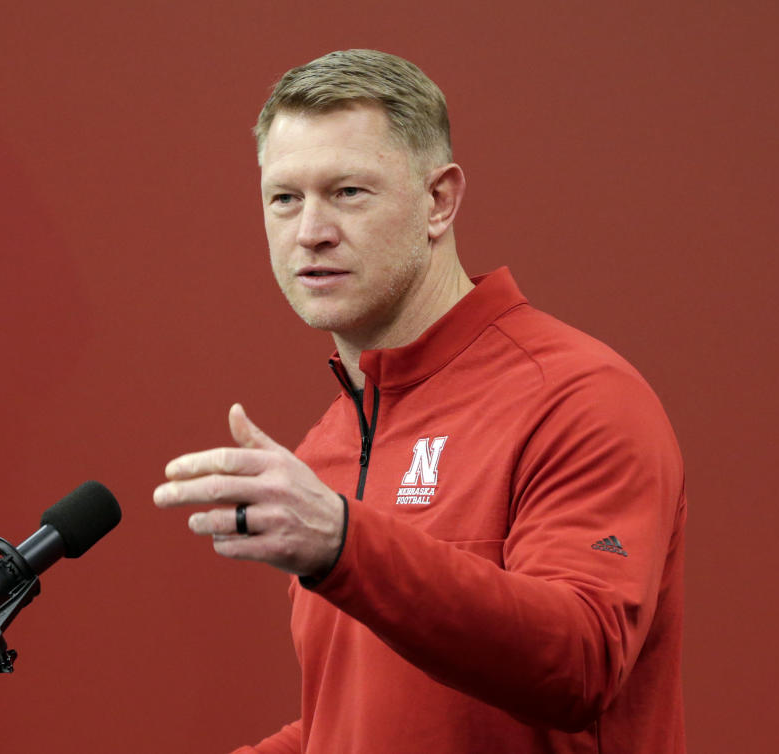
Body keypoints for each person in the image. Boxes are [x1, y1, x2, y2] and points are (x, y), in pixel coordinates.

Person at [153, 49, 686, 753]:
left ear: (439, 201)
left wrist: (345, 543)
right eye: (285, 198)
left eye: (347, 192)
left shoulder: (579, 397)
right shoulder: (329, 447)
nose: (310, 230)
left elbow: (581, 663)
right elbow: (356, 722)